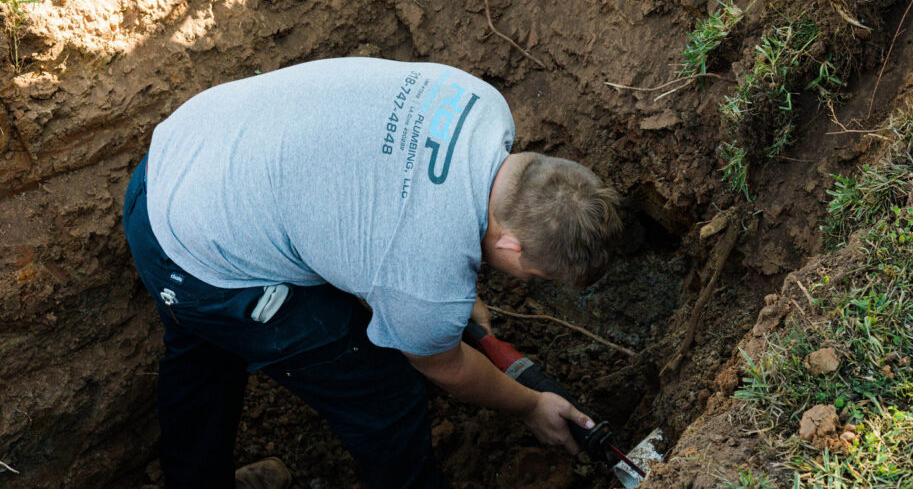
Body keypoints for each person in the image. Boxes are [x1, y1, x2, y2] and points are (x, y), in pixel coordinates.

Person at [122, 57, 622, 489]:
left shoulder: (480, 103)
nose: (528, 281)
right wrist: (531, 406)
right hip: (201, 261)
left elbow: (387, 196)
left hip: (177, 164)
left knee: (204, 353)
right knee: (384, 392)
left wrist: (441, 294)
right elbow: (445, 366)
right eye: (535, 274)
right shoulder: (422, 277)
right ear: (511, 244)